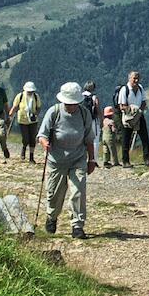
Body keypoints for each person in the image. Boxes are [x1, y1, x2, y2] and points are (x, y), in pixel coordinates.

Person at [37, 81, 97, 239]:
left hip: (78, 159)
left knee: (78, 191)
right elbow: (42, 134)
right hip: (56, 161)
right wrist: (45, 143)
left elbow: (89, 139)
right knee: (54, 195)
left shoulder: (84, 114)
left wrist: (92, 160)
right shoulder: (54, 112)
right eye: (68, 103)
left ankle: (77, 226)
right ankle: (52, 217)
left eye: (74, 103)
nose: (71, 106)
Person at [116, 71, 149, 167]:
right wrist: (132, 109)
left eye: (137, 78)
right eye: (134, 78)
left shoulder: (140, 88)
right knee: (126, 139)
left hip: (139, 116)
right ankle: (125, 161)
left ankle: (147, 159)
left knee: (145, 138)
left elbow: (144, 102)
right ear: (129, 79)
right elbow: (122, 106)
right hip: (128, 117)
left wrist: (139, 111)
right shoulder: (125, 90)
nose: (136, 80)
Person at [8, 81, 42, 163]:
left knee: (32, 139)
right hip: (22, 120)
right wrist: (11, 114)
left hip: (33, 121)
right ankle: (24, 148)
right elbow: (15, 106)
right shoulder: (20, 96)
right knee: (26, 138)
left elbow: (39, 107)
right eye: (29, 91)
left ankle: (31, 157)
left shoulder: (36, 97)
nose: (30, 92)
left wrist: (36, 114)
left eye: (32, 91)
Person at [82, 81, 101, 159]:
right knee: (95, 140)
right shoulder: (94, 97)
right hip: (93, 120)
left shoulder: (80, 96)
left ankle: (82, 157)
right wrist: (101, 119)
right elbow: (97, 108)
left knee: (82, 139)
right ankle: (93, 159)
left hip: (82, 121)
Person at [101, 102, 120, 168]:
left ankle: (105, 161)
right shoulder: (111, 122)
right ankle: (115, 162)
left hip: (104, 137)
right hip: (110, 138)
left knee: (105, 150)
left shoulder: (104, 120)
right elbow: (113, 130)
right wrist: (116, 132)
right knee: (113, 150)